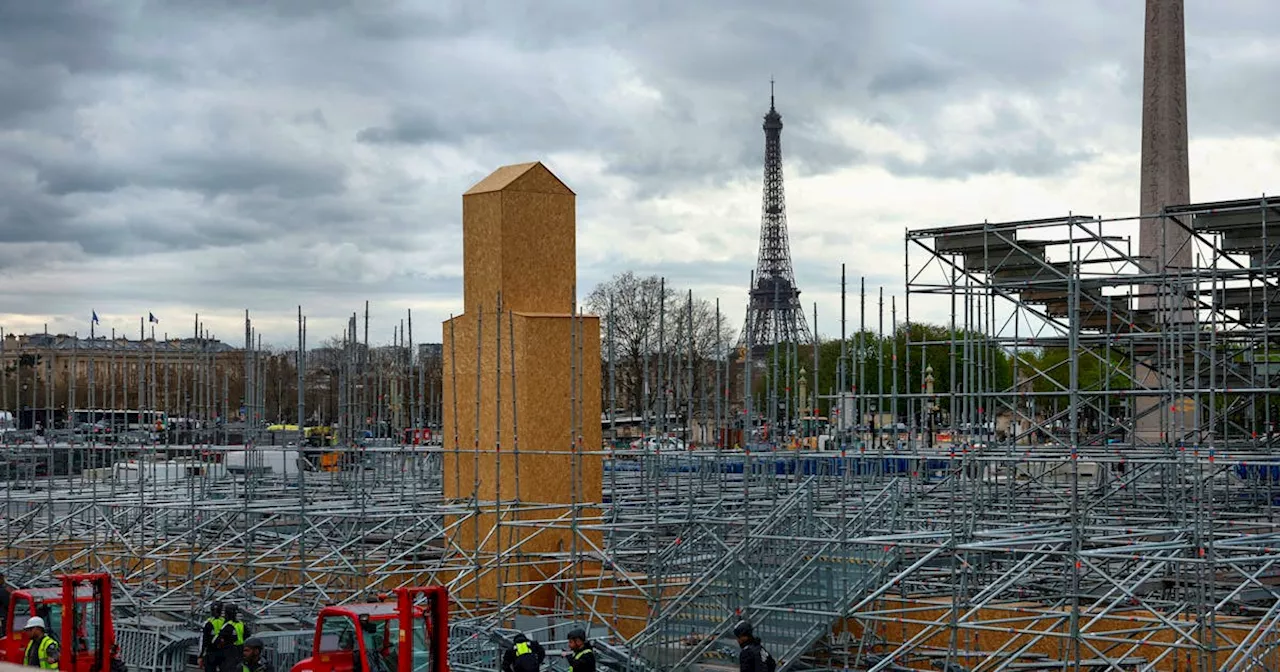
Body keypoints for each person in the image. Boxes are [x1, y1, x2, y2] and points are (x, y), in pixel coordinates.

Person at [217, 603, 248, 672]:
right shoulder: (241, 624)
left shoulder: (227, 625)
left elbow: (219, 639)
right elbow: (247, 635)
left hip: (229, 652)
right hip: (240, 650)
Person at [198, 602, 226, 672]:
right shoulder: (225, 622)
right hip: (222, 653)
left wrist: (200, 656)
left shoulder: (207, 622)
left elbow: (202, 640)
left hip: (212, 653)